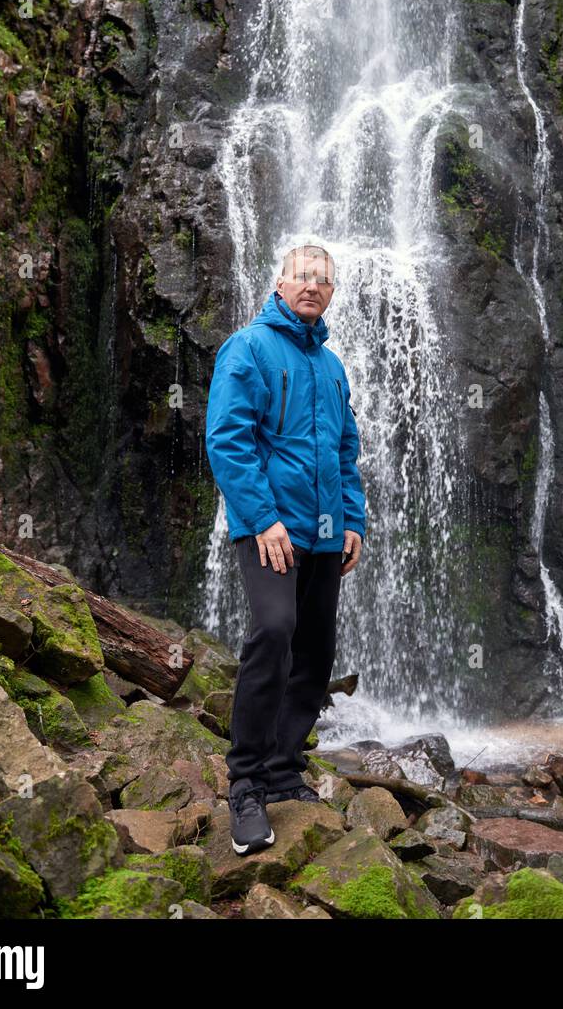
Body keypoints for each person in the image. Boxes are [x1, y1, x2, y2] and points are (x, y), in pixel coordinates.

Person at [205, 244, 366, 855]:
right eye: (304, 276)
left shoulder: (330, 365)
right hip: (270, 530)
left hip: (326, 533)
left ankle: (283, 769)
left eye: (324, 280)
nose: (313, 287)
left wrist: (354, 519)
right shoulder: (247, 348)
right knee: (274, 631)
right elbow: (227, 439)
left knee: (316, 649)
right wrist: (263, 518)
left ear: (331, 292)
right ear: (279, 281)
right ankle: (245, 783)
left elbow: (346, 449)